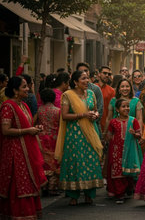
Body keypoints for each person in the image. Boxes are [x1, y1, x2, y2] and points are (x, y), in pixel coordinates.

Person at [0, 76, 47, 219]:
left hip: (27, 148)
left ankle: (30, 212)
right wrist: (28, 131)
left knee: (29, 180)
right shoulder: (8, 106)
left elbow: (27, 125)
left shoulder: (23, 105)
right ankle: (18, 213)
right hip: (15, 151)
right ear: (15, 90)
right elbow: (5, 130)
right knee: (18, 181)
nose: (28, 89)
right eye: (24, 87)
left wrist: (35, 128)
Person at [55, 71, 103, 206]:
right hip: (74, 134)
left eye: (87, 78)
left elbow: (95, 110)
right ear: (75, 82)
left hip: (90, 132)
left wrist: (95, 115)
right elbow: (64, 116)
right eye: (83, 78)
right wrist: (83, 115)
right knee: (75, 162)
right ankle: (73, 196)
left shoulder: (91, 94)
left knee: (91, 160)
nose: (87, 80)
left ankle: (89, 194)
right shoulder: (68, 95)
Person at [105, 99, 142, 204]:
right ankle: (119, 194)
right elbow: (109, 135)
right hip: (116, 150)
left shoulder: (133, 120)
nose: (126, 108)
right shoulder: (113, 122)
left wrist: (134, 133)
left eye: (127, 106)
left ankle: (127, 189)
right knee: (117, 171)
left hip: (129, 150)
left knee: (128, 171)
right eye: (123, 107)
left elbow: (139, 134)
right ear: (117, 109)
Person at [36, 88, 61, 196]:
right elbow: (60, 125)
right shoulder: (57, 110)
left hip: (41, 138)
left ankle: (44, 186)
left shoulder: (39, 110)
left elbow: (34, 122)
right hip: (54, 139)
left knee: (44, 162)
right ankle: (52, 187)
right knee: (54, 163)